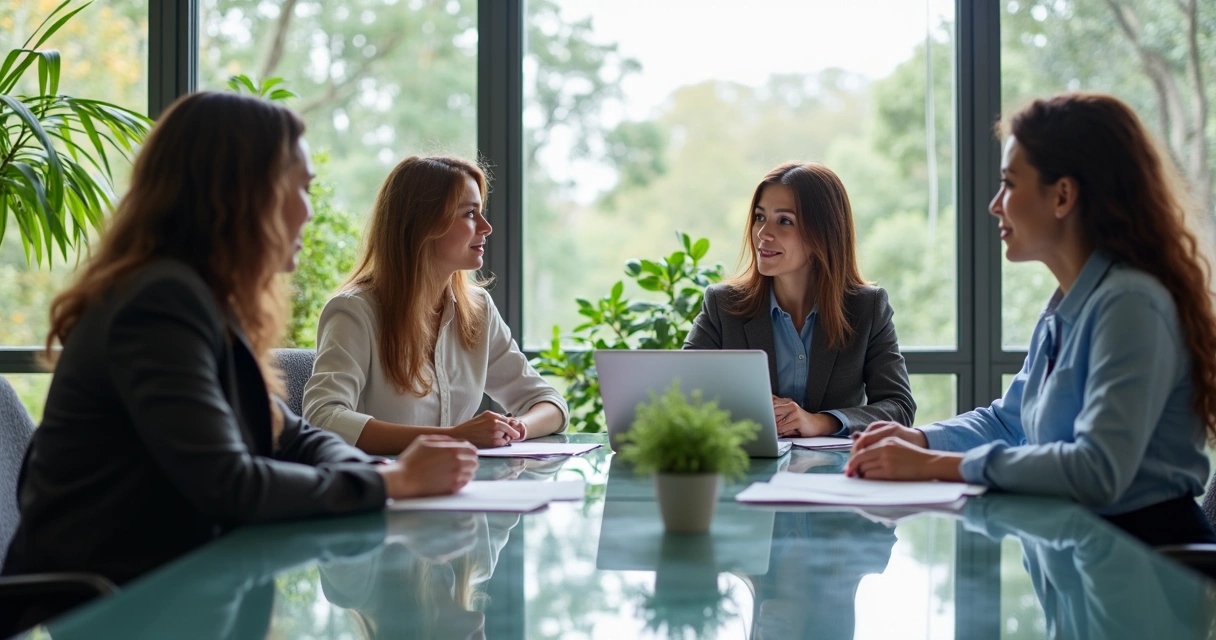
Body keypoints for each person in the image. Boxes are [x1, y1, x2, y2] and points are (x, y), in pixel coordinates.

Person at [1, 92, 479, 628]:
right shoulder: (158, 304)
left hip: (182, 587)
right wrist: (394, 482)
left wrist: (362, 467)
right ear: (240, 194)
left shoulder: (202, 298)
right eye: (299, 188)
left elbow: (290, 434)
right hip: (122, 607)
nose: (308, 210)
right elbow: (229, 484)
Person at [846, 93, 1216, 546]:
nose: (995, 204)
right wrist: (918, 439)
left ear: (1062, 195)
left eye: (1009, 184)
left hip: (1146, 559)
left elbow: (1097, 469)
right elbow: (1010, 421)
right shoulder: (1068, 304)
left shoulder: (1131, 304)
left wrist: (934, 466)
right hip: (1082, 548)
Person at [302, 155, 568, 454]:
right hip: (382, 490)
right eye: (470, 213)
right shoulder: (355, 311)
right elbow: (324, 418)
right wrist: (456, 437)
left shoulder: (477, 309)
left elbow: (550, 403)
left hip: (459, 489)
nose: (486, 227)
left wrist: (516, 429)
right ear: (423, 223)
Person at [683, 162, 916, 436]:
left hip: (833, 474)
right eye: (760, 217)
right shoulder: (722, 305)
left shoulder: (867, 308)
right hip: (745, 471)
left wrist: (819, 422)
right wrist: (742, 411)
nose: (762, 233)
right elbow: (681, 395)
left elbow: (899, 408)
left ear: (824, 233)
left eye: (784, 221)